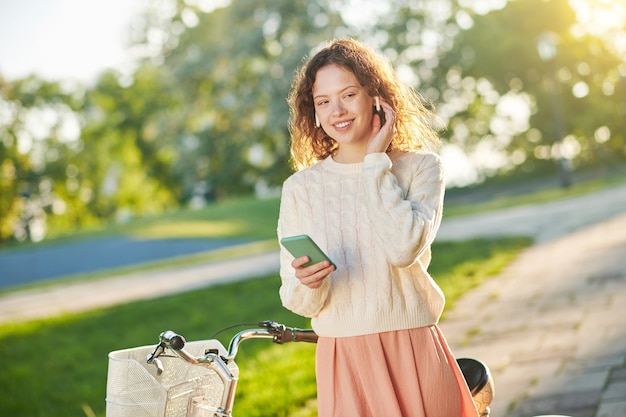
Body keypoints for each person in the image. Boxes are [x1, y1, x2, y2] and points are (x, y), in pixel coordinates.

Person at [277, 38, 478, 417]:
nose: (337, 110)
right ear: (313, 112)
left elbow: (403, 248)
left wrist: (374, 163)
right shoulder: (300, 188)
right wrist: (309, 283)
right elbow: (294, 296)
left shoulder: (421, 168)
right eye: (323, 101)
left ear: (377, 98)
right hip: (344, 357)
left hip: (413, 348)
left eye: (348, 94)